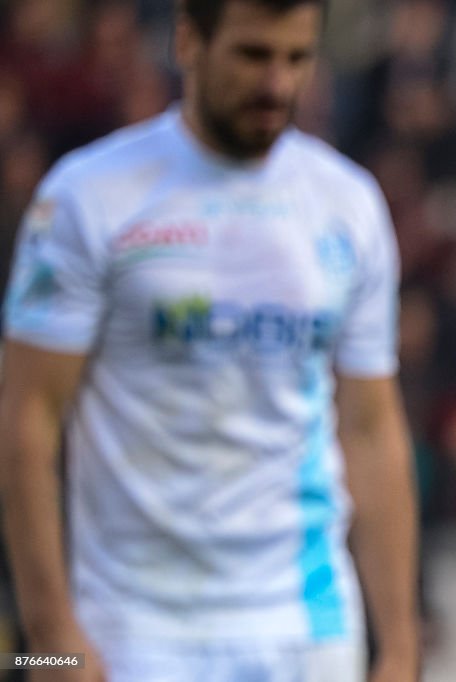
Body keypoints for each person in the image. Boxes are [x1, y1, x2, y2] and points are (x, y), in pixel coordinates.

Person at [0, 1, 419, 680]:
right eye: (254, 55)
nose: (277, 84)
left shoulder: (349, 205)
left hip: (306, 621)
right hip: (136, 626)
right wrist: (51, 633)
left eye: (296, 58)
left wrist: (399, 647)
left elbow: (371, 430)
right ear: (189, 40)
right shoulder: (86, 198)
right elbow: (26, 420)